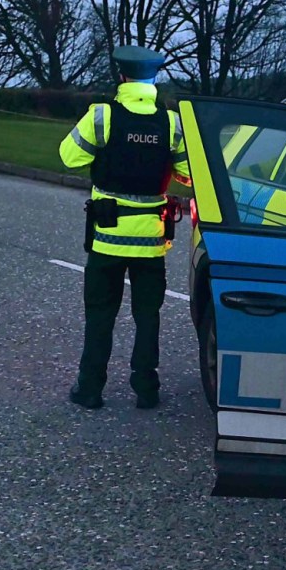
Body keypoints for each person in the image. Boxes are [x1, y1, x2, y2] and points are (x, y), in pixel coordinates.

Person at [59, 46, 191, 410]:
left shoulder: (101, 116)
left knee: (100, 315)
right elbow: (188, 174)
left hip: (106, 240)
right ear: (154, 79)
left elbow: (69, 157)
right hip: (150, 242)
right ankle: (146, 389)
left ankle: (90, 389)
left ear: (122, 78)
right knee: (148, 316)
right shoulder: (172, 122)